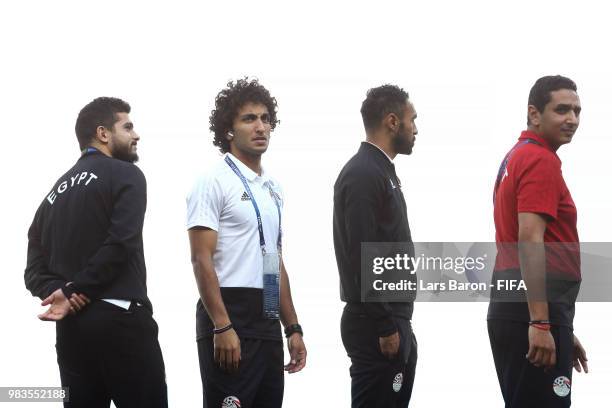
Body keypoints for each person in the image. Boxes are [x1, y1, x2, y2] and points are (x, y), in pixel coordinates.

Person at [24, 97, 168, 407]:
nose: (136, 134)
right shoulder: (126, 174)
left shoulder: (49, 199)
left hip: (72, 333)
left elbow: (32, 271)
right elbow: (120, 243)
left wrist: (60, 292)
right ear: (103, 133)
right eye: (127, 127)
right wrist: (75, 290)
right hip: (121, 321)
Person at [186, 78, 306, 408]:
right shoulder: (212, 181)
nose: (261, 126)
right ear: (228, 129)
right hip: (228, 312)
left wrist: (292, 327)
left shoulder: (273, 188)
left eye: (266, 118)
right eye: (249, 118)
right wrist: (222, 326)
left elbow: (274, 259)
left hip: (265, 315)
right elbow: (200, 259)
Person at [488, 75, 589, 407]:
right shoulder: (540, 160)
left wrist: (560, 326)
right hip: (529, 312)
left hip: (519, 307)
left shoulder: (515, 157)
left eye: (576, 111)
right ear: (534, 114)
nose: (572, 119)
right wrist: (542, 322)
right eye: (561, 110)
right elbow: (529, 240)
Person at [333, 84, 419, 407]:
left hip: (394, 319)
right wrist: (385, 324)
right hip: (375, 324)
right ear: (393, 122)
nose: (416, 129)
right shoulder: (364, 173)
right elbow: (362, 251)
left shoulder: (383, 171)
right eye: (413, 119)